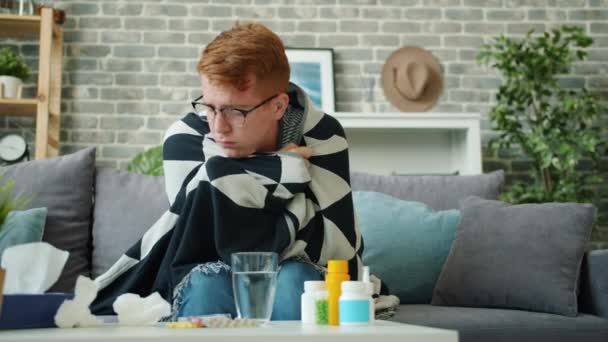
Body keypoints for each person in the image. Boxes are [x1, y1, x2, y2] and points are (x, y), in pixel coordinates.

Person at [91, 22, 362, 320]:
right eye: (209, 107)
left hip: (294, 266)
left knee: (294, 280)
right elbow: (208, 235)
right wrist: (284, 166)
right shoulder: (185, 138)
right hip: (207, 267)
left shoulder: (323, 135)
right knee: (208, 283)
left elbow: (332, 243)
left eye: (236, 111)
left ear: (279, 106)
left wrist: (225, 175)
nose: (218, 127)